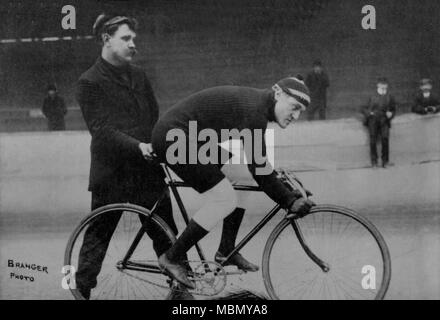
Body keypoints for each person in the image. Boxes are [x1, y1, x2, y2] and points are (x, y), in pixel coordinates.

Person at [151, 77, 316, 289]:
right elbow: (260, 169)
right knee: (224, 198)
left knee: (242, 175)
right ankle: (171, 258)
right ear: (277, 94)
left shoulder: (258, 107)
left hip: (191, 138)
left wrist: (288, 189)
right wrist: (289, 200)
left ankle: (225, 250)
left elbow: (257, 166)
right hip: (173, 138)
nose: (296, 115)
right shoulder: (255, 110)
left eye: (301, 111)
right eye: (294, 107)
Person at [75, 13, 184, 300]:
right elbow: (101, 130)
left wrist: (156, 144)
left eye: (133, 38)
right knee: (99, 234)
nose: (133, 44)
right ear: (106, 39)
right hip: (111, 171)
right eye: (126, 38)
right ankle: (81, 287)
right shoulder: (89, 81)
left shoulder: (138, 74)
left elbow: (153, 114)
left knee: (167, 232)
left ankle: (181, 289)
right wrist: (137, 146)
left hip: (146, 168)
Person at [361, 78, 397, 168]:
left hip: (384, 120)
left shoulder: (389, 97)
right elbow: (363, 108)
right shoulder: (371, 96)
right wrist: (370, 113)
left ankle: (385, 161)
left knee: (385, 139)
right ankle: (374, 161)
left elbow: (393, 109)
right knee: (373, 140)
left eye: (385, 86)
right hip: (373, 120)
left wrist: (391, 114)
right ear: (378, 85)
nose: (383, 88)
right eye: (381, 85)